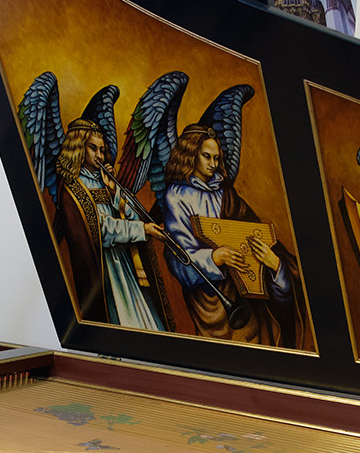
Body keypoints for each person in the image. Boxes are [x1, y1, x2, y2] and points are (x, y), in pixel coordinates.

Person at [156, 124, 305, 348]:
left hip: (243, 286)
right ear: (191, 155)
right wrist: (215, 257)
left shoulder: (225, 192)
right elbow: (178, 254)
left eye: (217, 158)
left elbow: (253, 232)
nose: (213, 164)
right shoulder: (176, 196)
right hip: (209, 296)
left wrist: (275, 264)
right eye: (207, 157)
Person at [54, 118, 168, 331]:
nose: (99, 155)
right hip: (105, 271)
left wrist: (114, 191)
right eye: (93, 148)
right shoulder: (73, 189)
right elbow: (103, 230)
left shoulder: (103, 180)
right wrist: (142, 230)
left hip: (124, 263)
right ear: (78, 147)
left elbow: (134, 217)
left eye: (102, 150)